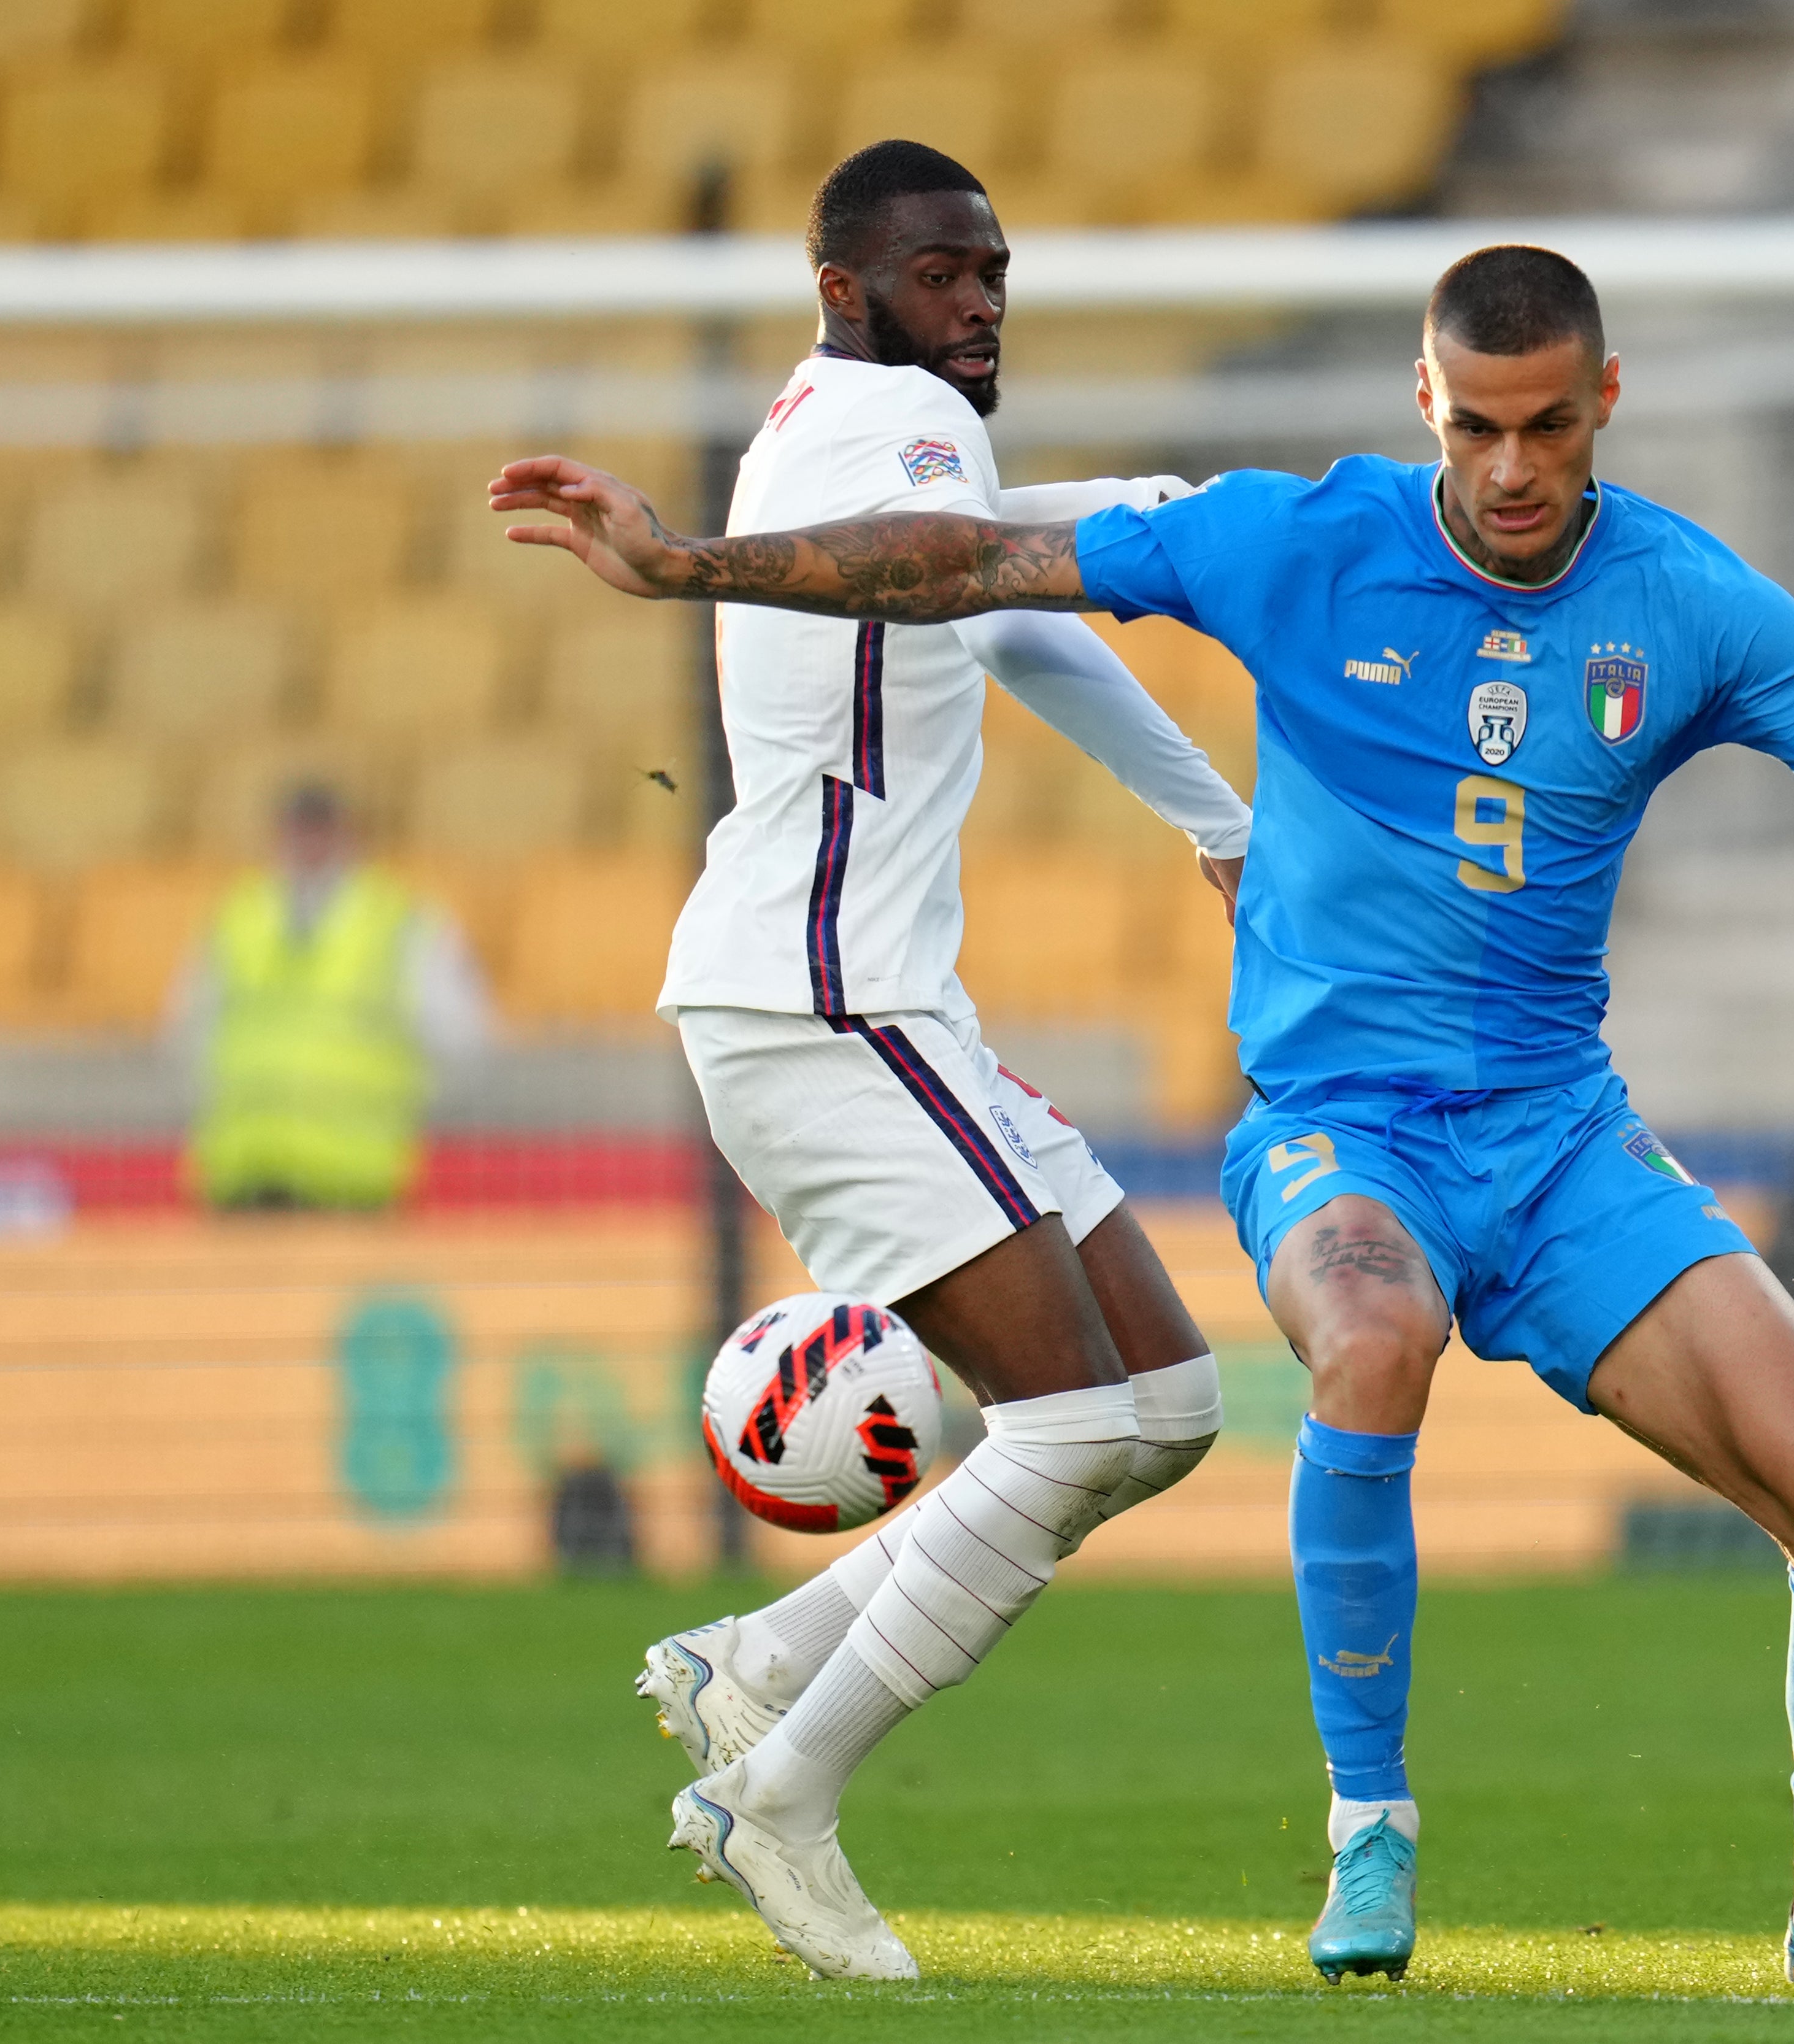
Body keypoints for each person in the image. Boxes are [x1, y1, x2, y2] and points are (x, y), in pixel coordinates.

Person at [491, 243, 1794, 1991]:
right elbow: (976, 558)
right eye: (1477, 429)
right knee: (1372, 1339)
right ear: (1425, 399)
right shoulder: (1302, 544)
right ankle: (1371, 1822)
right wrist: (688, 566)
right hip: (1345, 1130)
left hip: (1564, 1139)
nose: (1512, 473)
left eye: (1551, 431)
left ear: (1605, 403)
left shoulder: (1692, 603)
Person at [606, 142, 1253, 1981]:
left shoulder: (865, 423)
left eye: (996, 271)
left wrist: (1142, 524)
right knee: (1072, 1426)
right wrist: (1215, 819)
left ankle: (761, 1662)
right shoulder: (882, 415)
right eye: (942, 270)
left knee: (1172, 1401)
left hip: (885, 1008)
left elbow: (1007, 568)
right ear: (846, 288)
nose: (979, 302)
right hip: (820, 1008)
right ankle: (781, 1787)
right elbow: (1008, 591)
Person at [174, 781, 488, 1209]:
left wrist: (409, 1123)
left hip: (353, 1180)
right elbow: (188, 1031)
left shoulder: (401, 920)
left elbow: (461, 1037)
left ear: (350, 833)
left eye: (320, 827)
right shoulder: (236, 916)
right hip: (242, 1172)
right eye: (299, 827)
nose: (309, 841)